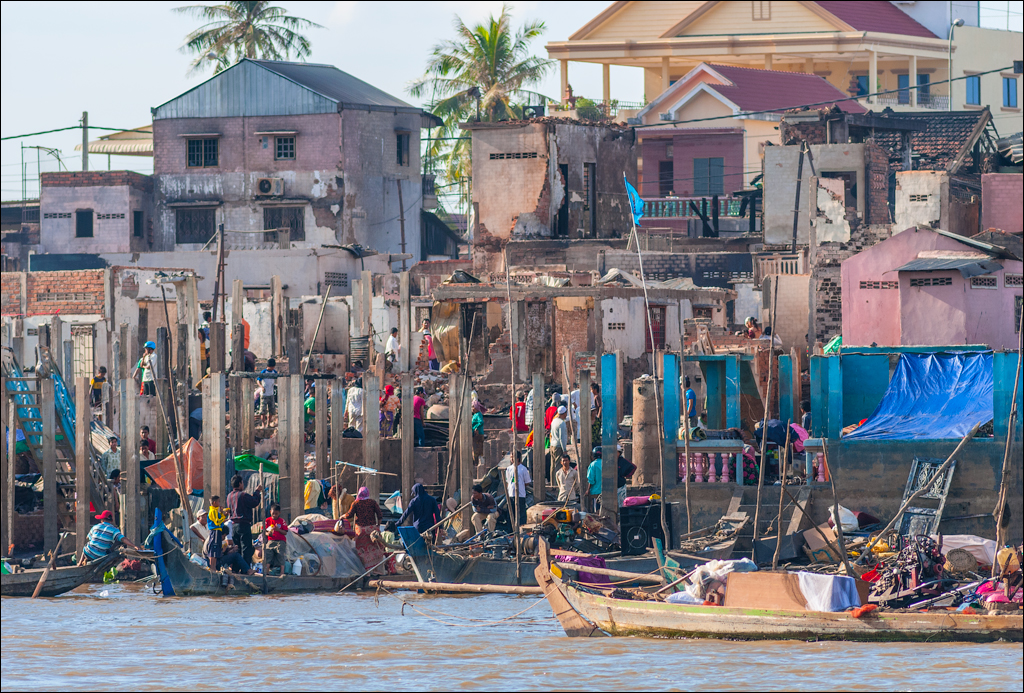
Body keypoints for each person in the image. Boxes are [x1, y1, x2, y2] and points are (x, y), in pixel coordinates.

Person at [342, 487, 386, 572]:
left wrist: (342, 516)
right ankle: (377, 570)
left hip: (361, 530)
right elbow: (380, 515)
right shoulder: (372, 502)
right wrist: (378, 525)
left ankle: (366, 571)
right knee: (376, 548)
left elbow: (349, 515)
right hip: (372, 530)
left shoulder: (356, 503)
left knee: (362, 550)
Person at [227, 475, 262, 565]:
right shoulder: (243, 495)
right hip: (243, 524)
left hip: (234, 525)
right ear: (239, 483)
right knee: (246, 548)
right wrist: (257, 491)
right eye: (242, 483)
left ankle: (235, 568)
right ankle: (246, 569)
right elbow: (254, 501)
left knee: (237, 548)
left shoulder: (229, 496)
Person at [505, 456, 532, 527]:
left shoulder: (523, 469)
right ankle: (510, 530)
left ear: (517, 458)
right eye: (510, 457)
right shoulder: (509, 469)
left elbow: (527, 482)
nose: (511, 458)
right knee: (510, 513)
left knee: (521, 513)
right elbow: (508, 480)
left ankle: (522, 529)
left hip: (520, 494)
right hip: (511, 494)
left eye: (512, 457)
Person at [262, 504, 288, 574]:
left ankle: (282, 572)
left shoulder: (282, 521)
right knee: (268, 552)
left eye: (276, 514)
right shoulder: (267, 520)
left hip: (280, 541)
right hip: (271, 540)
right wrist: (268, 534)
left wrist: (278, 530)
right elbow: (264, 531)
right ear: (270, 512)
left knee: (280, 554)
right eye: (273, 513)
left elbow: (285, 532)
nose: (274, 515)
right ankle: (267, 570)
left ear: (279, 513)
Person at [205, 495, 229, 571]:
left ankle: (214, 567)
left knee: (216, 549)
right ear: (214, 502)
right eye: (218, 501)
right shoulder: (213, 511)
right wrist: (223, 516)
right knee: (213, 549)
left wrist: (222, 514)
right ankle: (212, 567)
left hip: (218, 531)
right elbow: (217, 521)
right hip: (215, 531)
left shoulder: (216, 511)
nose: (219, 503)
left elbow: (219, 520)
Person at [257, 358, 278, 426]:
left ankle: (268, 423)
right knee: (263, 411)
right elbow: (258, 381)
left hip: (271, 394)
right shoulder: (263, 372)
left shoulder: (274, 372)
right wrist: (261, 387)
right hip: (264, 394)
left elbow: (277, 379)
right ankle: (263, 424)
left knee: (271, 410)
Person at [550, 406, 569, 474]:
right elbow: (562, 438)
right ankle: (556, 483)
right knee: (558, 466)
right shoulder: (561, 423)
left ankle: (552, 482)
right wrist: (564, 450)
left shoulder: (554, 421)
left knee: (552, 466)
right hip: (558, 446)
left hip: (552, 445)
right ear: (564, 413)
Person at [586, 447, 603, 512]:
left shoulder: (593, 464)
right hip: (606, 491)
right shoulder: (606, 463)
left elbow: (591, 480)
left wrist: (588, 490)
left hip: (596, 491)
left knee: (597, 509)